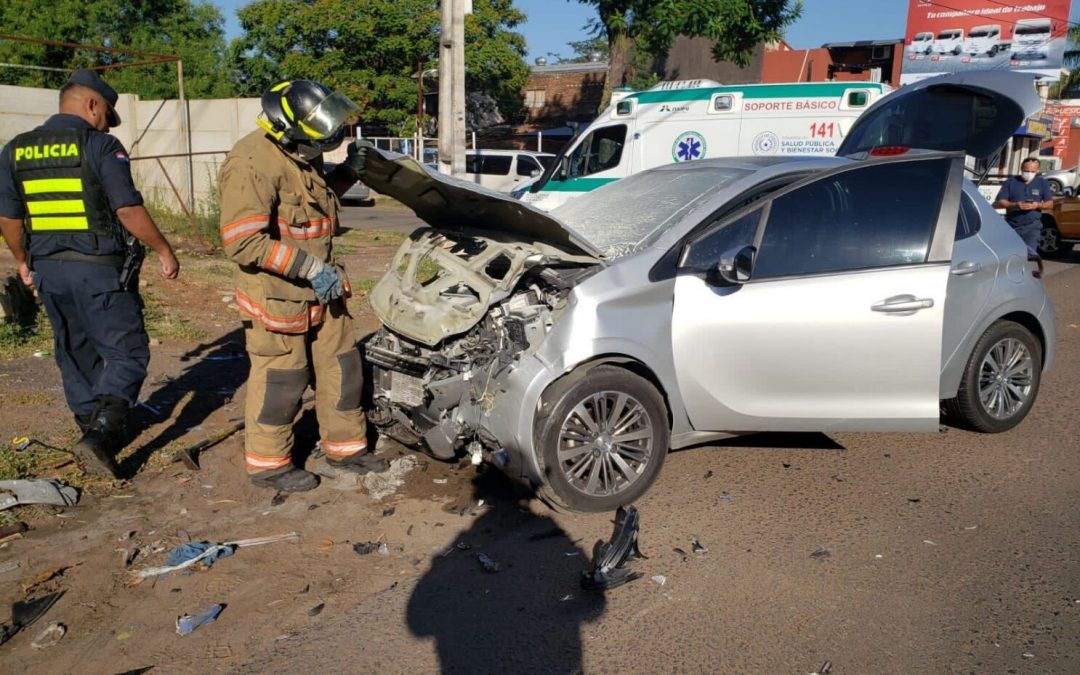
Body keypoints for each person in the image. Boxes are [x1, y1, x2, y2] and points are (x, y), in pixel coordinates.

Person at [0, 69, 180, 478]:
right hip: (98, 270)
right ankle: (101, 437)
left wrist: (22, 259)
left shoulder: (16, 149)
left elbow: (9, 217)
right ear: (92, 104)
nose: (105, 122)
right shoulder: (99, 145)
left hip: (48, 270)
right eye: (105, 113)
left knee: (74, 350)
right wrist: (164, 249)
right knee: (126, 351)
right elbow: (127, 209)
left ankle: (87, 424)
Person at [217, 79, 388, 492]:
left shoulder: (299, 154)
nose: (329, 139)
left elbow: (317, 205)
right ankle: (269, 463)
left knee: (343, 369)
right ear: (286, 127)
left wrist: (348, 173)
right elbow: (242, 241)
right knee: (283, 379)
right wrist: (311, 268)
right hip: (280, 298)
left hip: (323, 291)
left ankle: (346, 447)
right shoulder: (251, 162)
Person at [993, 157, 1054, 252]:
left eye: (1032, 171)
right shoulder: (1010, 182)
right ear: (1021, 169)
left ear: (1037, 170)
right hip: (1012, 225)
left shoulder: (1042, 183)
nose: (1029, 173)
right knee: (1011, 254)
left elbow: (1050, 204)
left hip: (1032, 227)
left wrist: (1036, 205)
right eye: (1026, 171)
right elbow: (1000, 202)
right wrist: (1015, 205)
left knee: (1029, 256)